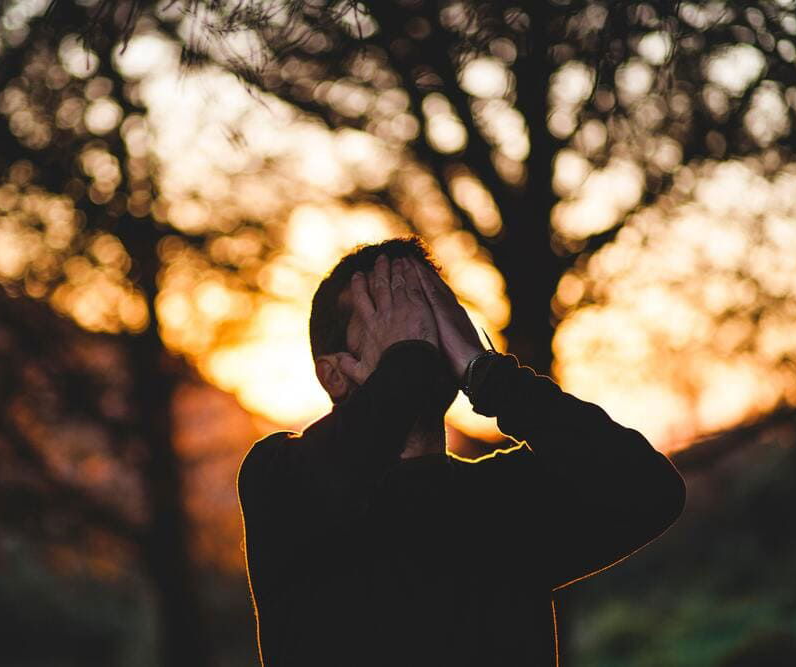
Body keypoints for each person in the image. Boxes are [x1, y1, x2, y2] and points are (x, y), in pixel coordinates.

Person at [236, 236, 686, 666]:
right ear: (333, 375)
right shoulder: (279, 477)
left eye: (431, 312)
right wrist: (407, 360)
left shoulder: (508, 498)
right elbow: (336, 478)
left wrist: (487, 372)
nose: (419, 332)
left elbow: (651, 489)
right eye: (392, 316)